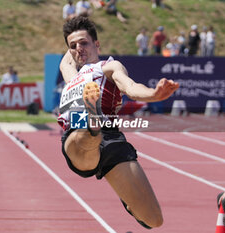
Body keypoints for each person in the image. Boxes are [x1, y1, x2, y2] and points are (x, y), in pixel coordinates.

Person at [58, 16, 179, 229]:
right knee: (87, 134)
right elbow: (66, 59)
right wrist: (76, 31)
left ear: (97, 44)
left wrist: (154, 94)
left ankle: (94, 121)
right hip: (78, 133)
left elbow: (130, 87)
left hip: (112, 140)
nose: (78, 48)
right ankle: (92, 120)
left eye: (84, 43)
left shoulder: (110, 67)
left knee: (153, 219)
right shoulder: (72, 75)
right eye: (73, 46)